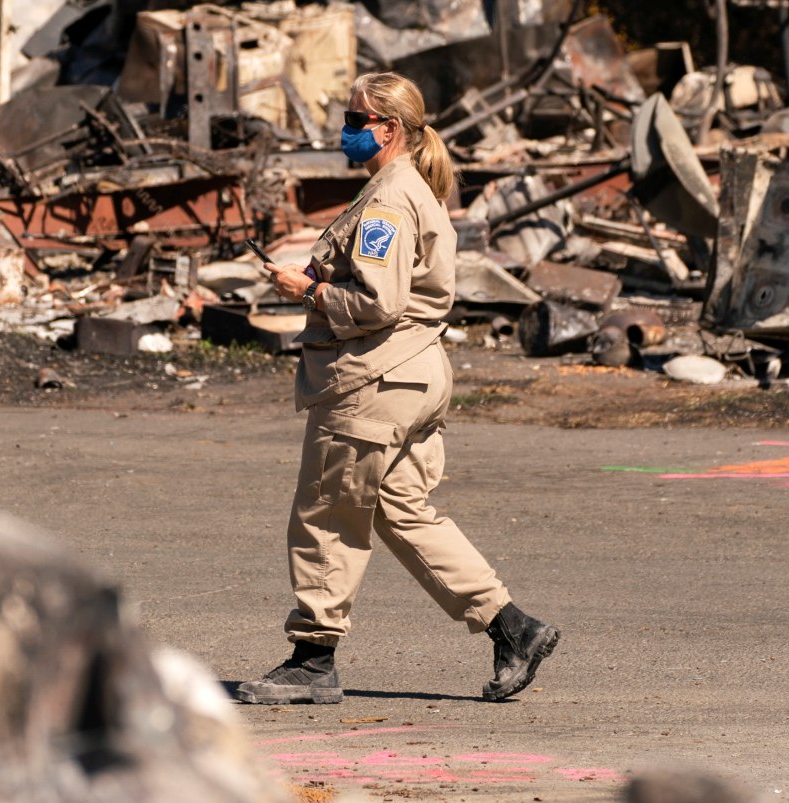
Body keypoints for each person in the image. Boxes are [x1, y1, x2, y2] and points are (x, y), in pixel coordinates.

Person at [236, 71, 560, 706]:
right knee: (401, 510)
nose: (346, 131)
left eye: (357, 121)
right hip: (413, 373)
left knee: (329, 512)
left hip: (374, 379)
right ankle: (513, 628)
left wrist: (310, 291)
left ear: (390, 129)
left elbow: (378, 301)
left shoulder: (387, 199)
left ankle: (312, 659)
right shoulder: (409, 190)